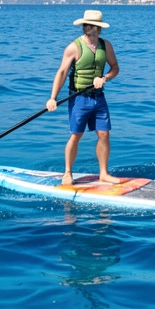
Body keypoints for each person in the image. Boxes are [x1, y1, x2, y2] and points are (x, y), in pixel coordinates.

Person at [47, 10, 120, 186]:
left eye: (89, 25)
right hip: (79, 98)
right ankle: (67, 172)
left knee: (104, 134)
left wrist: (104, 78)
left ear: (98, 28)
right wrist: (52, 98)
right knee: (76, 135)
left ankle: (104, 173)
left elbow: (115, 68)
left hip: (99, 98)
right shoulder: (73, 47)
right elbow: (62, 72)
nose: (85, 27)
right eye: (84, 24)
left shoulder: (106, 46)